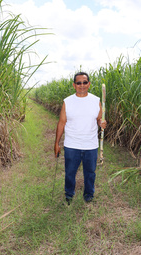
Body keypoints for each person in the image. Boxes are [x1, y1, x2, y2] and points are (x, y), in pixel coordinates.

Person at [54, 72, 107, 205]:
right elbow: (61, 123)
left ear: (88, 84)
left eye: (84, 82)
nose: (82, 85)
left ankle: (89, 194)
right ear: (74, 85)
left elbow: (99, 118)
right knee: (70, 172)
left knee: (90, 173)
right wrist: (57, 143)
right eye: (79, 83)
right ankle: (69, 194)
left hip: (91, 145)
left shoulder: (96, 101)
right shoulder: (67, 102)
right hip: (72, 145)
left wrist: (102, 123)